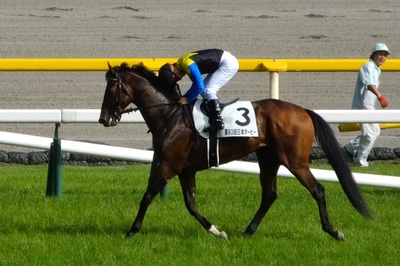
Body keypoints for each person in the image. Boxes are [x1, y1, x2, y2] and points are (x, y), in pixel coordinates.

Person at [158, 48, 239, 131]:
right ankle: (211, 115)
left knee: (208, 90)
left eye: (177, 77)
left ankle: (217, 121)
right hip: (224, 60)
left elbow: (199, 86)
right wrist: (186, 96)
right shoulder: (182, 62)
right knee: (205, 91)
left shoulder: (187, 64)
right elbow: (197, 86)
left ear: (174, 70)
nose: (181, 78)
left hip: (227, 63)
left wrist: (186, 99)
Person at [344, 43, 391, 167]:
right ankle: (360, 161)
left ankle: (348, 149)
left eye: (385, 55)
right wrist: (380, 96)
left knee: (374, 131)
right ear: (374, 54)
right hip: (363, 106)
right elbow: (370, 85)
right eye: (380, 54)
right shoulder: (368, 66)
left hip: (367, 106)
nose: (383, 57)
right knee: (371, 133)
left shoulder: (374, 68)